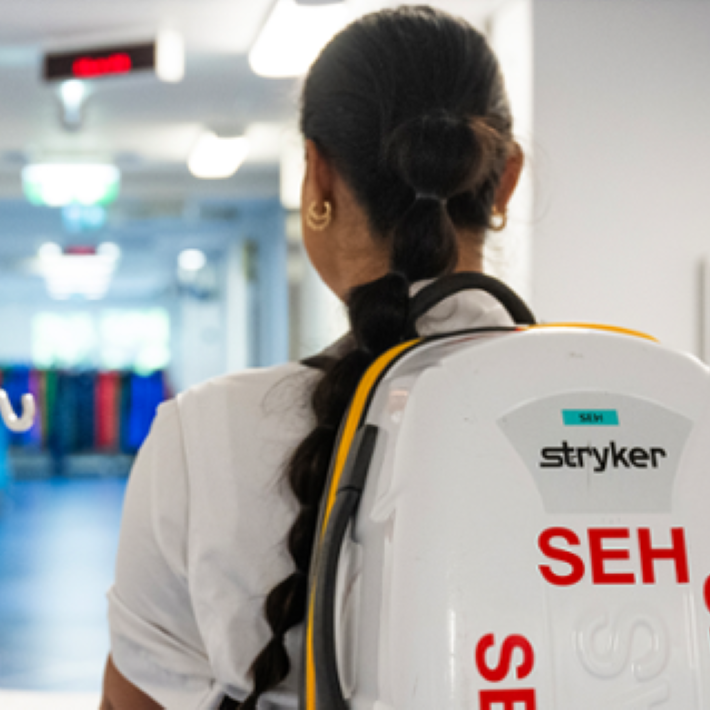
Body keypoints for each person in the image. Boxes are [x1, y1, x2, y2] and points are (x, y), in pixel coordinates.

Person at [100, 5, 525, 709]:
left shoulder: (200, 439)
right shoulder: (649, 415)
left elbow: (131, 700)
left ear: (318, 178)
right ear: (505, 179)